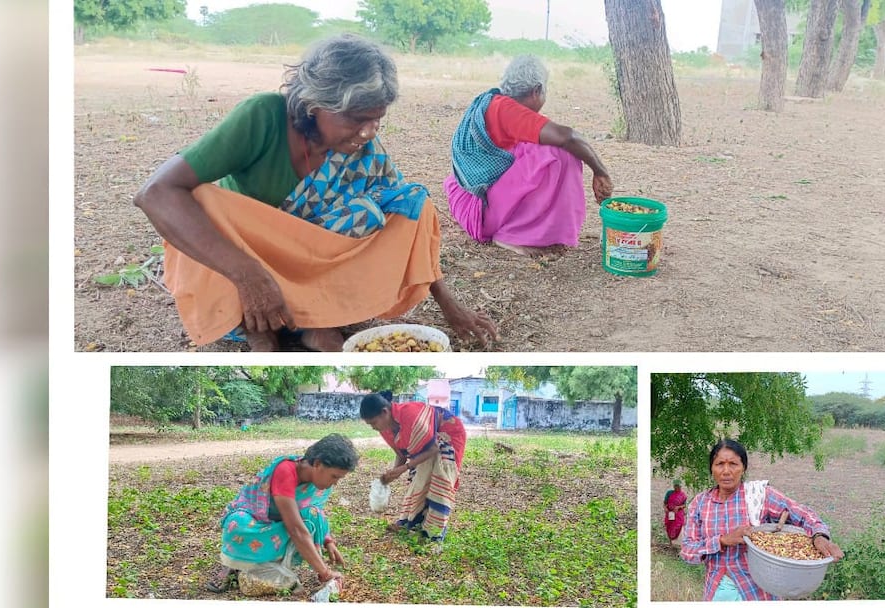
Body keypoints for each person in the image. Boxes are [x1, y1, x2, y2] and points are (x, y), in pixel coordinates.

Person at [134, 34, 497, 351]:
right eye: (356, 119)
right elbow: (156, 193)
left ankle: (314, 320)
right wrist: (247, 275)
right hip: (249, 256)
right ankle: (256, 328)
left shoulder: (363, 148)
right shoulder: (261, 117)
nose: (369, 132)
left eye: (377, 120)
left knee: (410, 207)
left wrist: (450, 305)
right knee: (203, 201)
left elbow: (410, 211)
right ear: (314, 104)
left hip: (309, 263)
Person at [444, 55, 614, 257]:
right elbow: (568, 137)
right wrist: (600, 172)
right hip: (479, 211)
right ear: (536, 91)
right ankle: (511, 235)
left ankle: (524, 228)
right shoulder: (508, 111)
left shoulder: (495, 102)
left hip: (470, 200)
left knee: (538, 146)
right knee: (560, 153)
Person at [681, 439, 844, 601]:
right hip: (717, 591)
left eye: (733, 464)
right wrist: (723, 540)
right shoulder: (700, 503)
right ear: (711, 468)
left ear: (743, 468)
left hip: (758, 592)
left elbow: (803, 514)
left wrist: (819, 536)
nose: (726, 471)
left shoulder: (758, 496)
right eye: (719, 464)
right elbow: (687, 551)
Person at [205, 434, 359, 594]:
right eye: (334, 476)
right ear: (318, 464)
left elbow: (315, 511)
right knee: (238, 524)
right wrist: (326, 573)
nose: (335, 483)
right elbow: (296, 530)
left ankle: (266, 565)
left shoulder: (317, 481)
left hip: (280, 524)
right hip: (256, 521)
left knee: (312, 515)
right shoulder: (286, 471)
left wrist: (328, 541)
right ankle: (234, 565)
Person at [359, 392, 466, 542]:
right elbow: (402, 454)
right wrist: (392, 474)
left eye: (374, 423)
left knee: (439, 476)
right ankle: (412, 523)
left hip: (448, 434)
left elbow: (433, 449)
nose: (373, 428)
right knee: (419, 478)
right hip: (428, 446)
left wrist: (404, 468)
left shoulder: (410, 415)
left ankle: (433, 532)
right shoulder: (385, 429)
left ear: (385, 412)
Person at [663, 479, 687, 547]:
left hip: (678, 514)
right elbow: (665, 503)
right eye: (676, 486)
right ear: (674, 486)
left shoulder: (683, 495)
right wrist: (665, 509)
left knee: (679, 527)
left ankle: (680, 545)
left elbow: (684, 505)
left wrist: (678, 507)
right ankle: (671, 543)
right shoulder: (669, 493)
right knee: (670, 526)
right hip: (670, 513)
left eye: (679, 487)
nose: (678, 488)